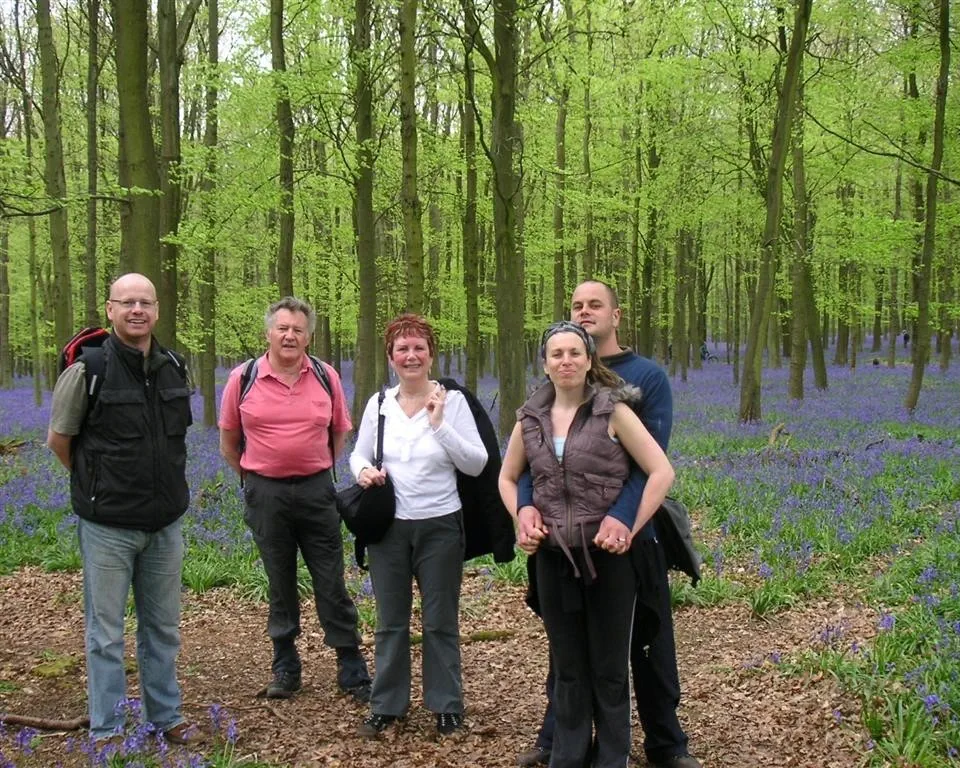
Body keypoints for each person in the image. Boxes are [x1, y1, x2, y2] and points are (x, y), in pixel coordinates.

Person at [517, 280, 702, 768]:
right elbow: (528, 468)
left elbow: (651, 465)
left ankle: (665, 744)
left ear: (615, 316)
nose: (585, 311)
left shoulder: (644, 380)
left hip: (632, 534)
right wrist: (525, 509)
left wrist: (623, 519)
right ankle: (560, 743)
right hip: (562, 544)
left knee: (643, 645)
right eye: (577, 305)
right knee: (571, 654)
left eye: (595, 304)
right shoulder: (542, 399)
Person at [46, 273, 201, 745]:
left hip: (164, 523)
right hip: (107, 526)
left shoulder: (175, 366)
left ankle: (165, 717)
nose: (137, 310)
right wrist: (97, 486)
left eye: (146, 302)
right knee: (105, 633)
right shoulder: (86, 370)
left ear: (157, 310)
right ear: (110, 309)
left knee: (163, 628)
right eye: (127, 302)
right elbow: (59, 440)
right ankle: (109, 727)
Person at [218, 297, 371, 702]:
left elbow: (339, 431)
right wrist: (256, 477)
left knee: (330, 579)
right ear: (268, 332)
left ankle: (350, 662)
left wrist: (313, 465)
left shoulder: (325, 376)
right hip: (265, 493)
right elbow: (229, 442)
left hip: (317, 490)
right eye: (282, 328)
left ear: (309, 336)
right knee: (279, 580)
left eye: (297, 329)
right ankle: (285, 665)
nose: (289, 335)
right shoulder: (243, 377)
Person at [349, 314, 487, 738]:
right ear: (391, 357)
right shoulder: (378, 404)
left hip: (440, 526)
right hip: (389, 529)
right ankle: (387, 704)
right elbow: (357, 455)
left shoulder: (453, 401)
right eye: (402, 349)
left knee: (439, 620)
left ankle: (446, 704)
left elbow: (477, 463)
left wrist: (439, 424)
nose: (411, 356)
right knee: (390, 621)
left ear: (431, 354)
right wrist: (364, 474)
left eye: (419, 348)